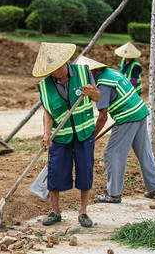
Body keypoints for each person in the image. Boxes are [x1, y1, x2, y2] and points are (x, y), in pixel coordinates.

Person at [76, 56, 155, 203]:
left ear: (91, 72)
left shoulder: (103, 83)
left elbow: (102, 116)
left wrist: (91, 137)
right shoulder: (111, 72)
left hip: (127, 117)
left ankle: (114, 194)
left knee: (112, 152)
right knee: (144, 152)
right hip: (140, 111)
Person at [33, 42, 100, 227]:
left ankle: (83, 212)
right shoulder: (45, 86)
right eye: (52, 71)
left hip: (84, 133)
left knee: (85, 171)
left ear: (65, 62)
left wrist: (93, 92)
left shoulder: (83, 72)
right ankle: (55, 211)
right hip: (61, 136)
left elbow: (98, 97)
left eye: (58, 68)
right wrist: (46, 133)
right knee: (55, 173)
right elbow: (48, 111)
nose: (56, 73)